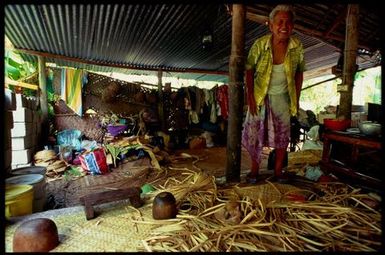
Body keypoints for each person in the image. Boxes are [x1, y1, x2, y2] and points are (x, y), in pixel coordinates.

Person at [242, 4, 305, 183]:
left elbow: (300, 72)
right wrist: (250, 97)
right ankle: (254, 171)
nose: (284, 26)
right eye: (279, 22)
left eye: (288, 22)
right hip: (261, 97)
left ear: (293, 26)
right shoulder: (260, 45)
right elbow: (248, 69)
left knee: (282, 136)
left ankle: (278, 172)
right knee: (254, 134)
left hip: (283, 98)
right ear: (271, 25)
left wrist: (297, 98)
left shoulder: (297, 46)